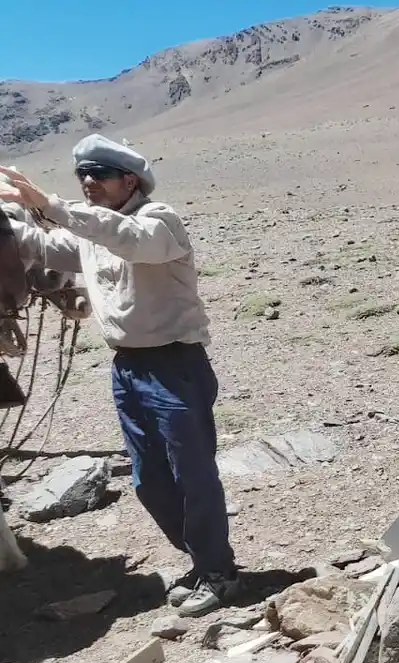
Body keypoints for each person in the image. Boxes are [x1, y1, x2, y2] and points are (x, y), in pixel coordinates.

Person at [0, 135, 238, 616]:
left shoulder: (158, 222)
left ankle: (220, 573)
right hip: (127, 367)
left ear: (129, 180)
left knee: (192, 475)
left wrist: (51, 204)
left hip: (174, 365)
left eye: (99, 175)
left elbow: (125, 239)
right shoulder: (90, 233)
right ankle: (199, 560)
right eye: (82, 176)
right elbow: (42, 247)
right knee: (149, 480)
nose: (88, 182)